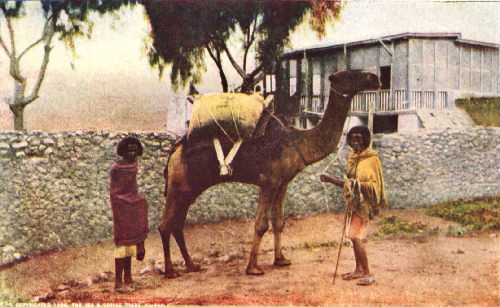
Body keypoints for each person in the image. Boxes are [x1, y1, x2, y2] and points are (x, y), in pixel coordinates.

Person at [320, 126, 387, 286]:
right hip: (354, 203)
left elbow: (372, 186)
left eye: (359, 139)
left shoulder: (372, 159)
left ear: (366, 140)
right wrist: (332, 180)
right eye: (353, 139)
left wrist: (334, 181)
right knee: (352, 236)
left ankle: (368, 273)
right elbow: (349, 184)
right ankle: (358, 270)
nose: (356, 142)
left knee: (357, 237)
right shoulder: (353, 158)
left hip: (365, 204)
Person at [110, 137, 149, 291]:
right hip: (121, 210)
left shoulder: (134, 165)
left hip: (132, 207)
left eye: (134, 150)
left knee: (130, 245)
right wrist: (127, 201)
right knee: (122, 245)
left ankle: (128, 277)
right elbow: (115, 193)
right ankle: (118, 282)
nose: (132, 153)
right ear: (123, 152)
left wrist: (136, 201)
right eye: (129, 150)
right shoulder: (116, 169)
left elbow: (133, 190)